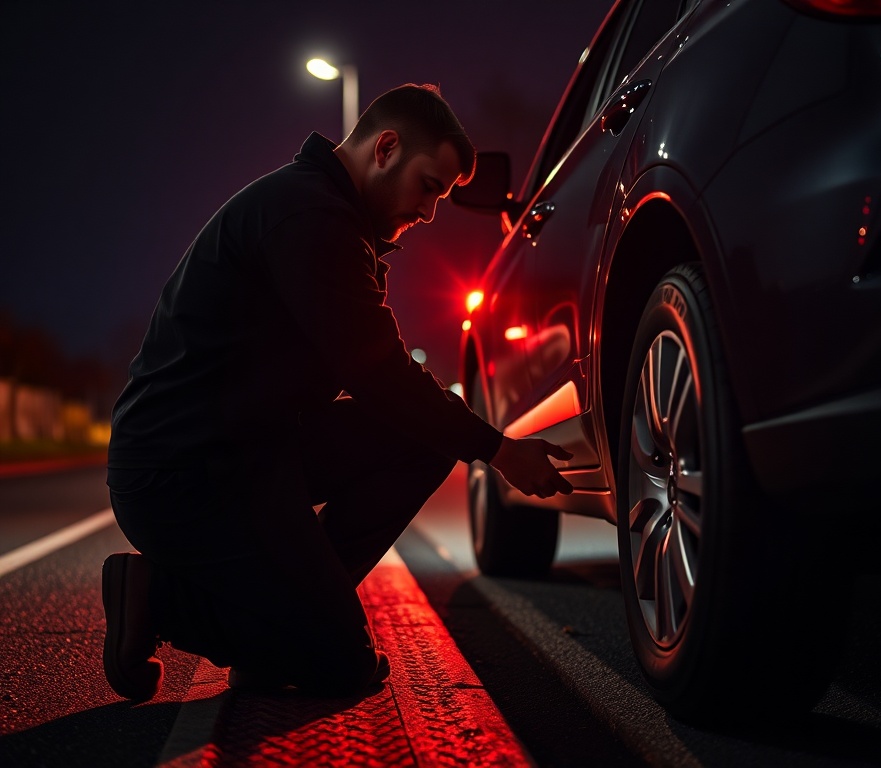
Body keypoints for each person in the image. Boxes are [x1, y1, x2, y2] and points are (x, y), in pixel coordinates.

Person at [102, 83, 572, 701]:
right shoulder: (310, 216)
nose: (431, 212)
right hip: (182, 476)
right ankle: (156, 597)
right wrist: (499, 450)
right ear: (385, 148)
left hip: (249, 452)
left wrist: (472, 439)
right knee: (342, 665)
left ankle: (291, 618)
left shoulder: (328, 215)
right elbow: (377, 373)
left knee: (423, 438)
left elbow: (381, 382)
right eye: (430, 186)